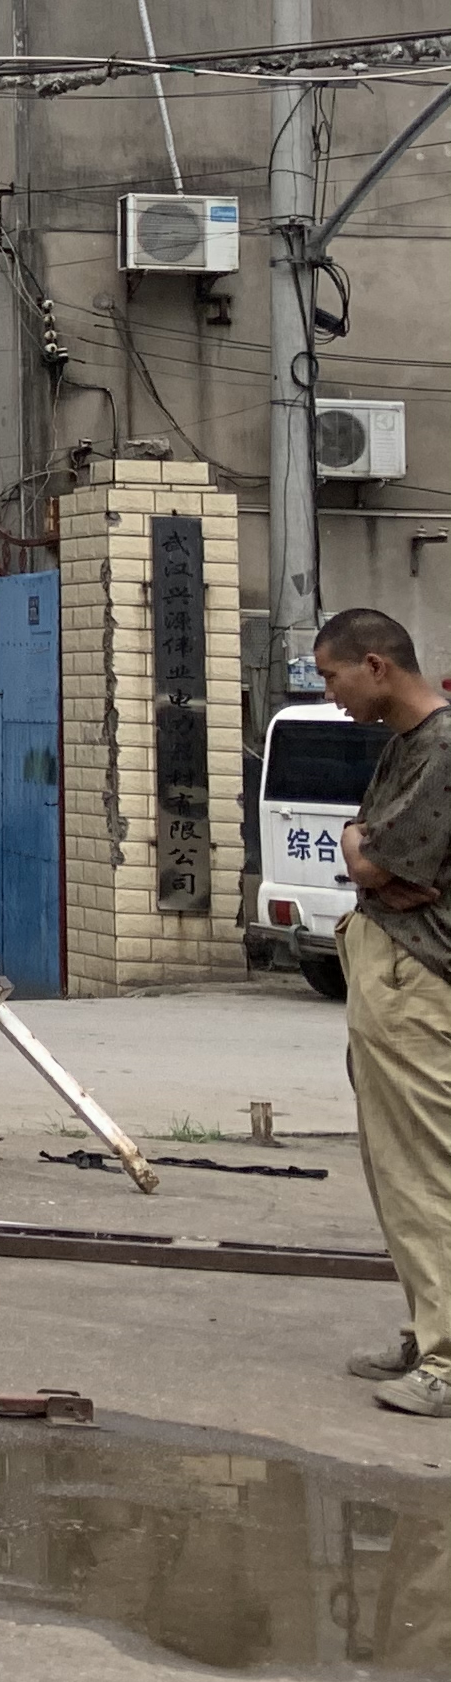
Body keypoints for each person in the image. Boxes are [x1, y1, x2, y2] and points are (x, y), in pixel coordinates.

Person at [316, 607, 451, 1417]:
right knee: (392, 1165)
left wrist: (366, 854)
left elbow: (390, 863)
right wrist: (362, 849)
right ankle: (424, 1323)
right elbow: (368, 849)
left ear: (375, 665)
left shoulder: (440, 748)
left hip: (419, 970)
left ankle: (446, 1356)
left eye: (333, 677)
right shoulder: (406, 746)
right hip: (389, 961)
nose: (331, 695)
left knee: (424, 1170)